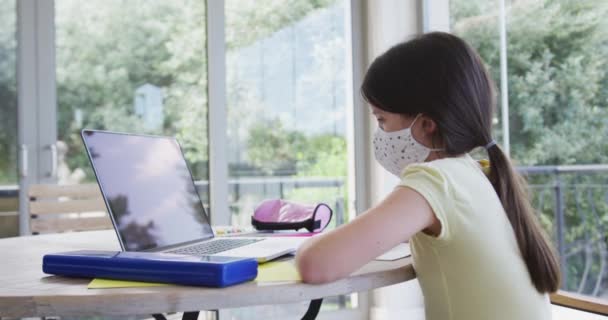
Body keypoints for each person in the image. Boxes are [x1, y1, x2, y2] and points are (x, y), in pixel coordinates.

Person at [295, 32, 560, 320]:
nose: (379, 132)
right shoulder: (472, 171)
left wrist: (301, 245)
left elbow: (316, 264)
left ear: (426, 125)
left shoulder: (435, 180)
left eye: (382, 119)